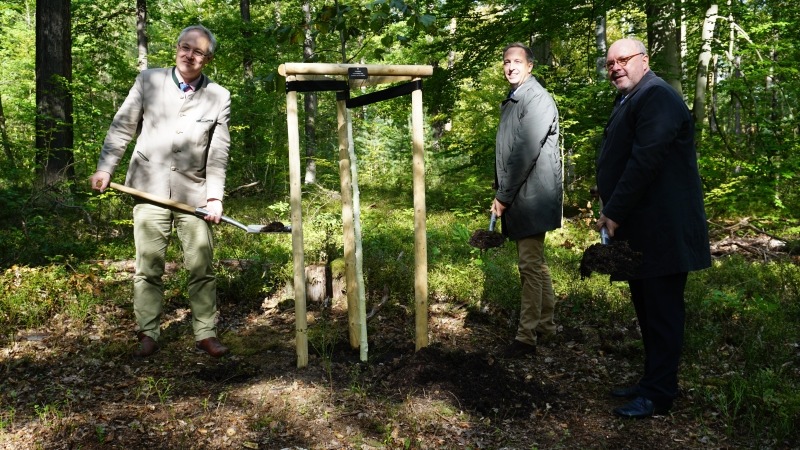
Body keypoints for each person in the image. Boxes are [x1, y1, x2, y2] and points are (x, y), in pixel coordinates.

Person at [90, 25, 232, 358]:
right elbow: (122, 127)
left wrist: (215, 197)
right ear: (176, 49)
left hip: (193, 194)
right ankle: (148, 332)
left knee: (200, 267)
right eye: (185, 47)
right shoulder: (148, 81)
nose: (189, 55)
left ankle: (205, 333)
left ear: (207, 59)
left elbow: (218, 151)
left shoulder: (219, 96)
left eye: (198, 52)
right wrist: (105, 167)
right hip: (147, 189)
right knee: (148, 266)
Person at [596, 38, 711, 418]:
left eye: (623, 59)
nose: (615, 67)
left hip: (663, 230)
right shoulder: (630, 98)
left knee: (662, 314)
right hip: (640, 230)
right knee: (647, 311)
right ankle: (651, 382)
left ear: (644, 61)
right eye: (610, 62)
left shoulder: (658, 96)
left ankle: (660, 395)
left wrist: (613, 210)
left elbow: (645, 161)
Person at [492, 42, 563, 358]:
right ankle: (546, 326)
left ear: (530, 66)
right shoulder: (513, 99)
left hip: (532, 196)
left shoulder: (536, 99)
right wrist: (503, 192)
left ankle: (526, 338)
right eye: (506, 61)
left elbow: (523, 154)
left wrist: (503, 196)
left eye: (517, 61)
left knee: (529, 267)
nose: (510, 66)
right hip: (521, 194)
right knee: (536, 264)